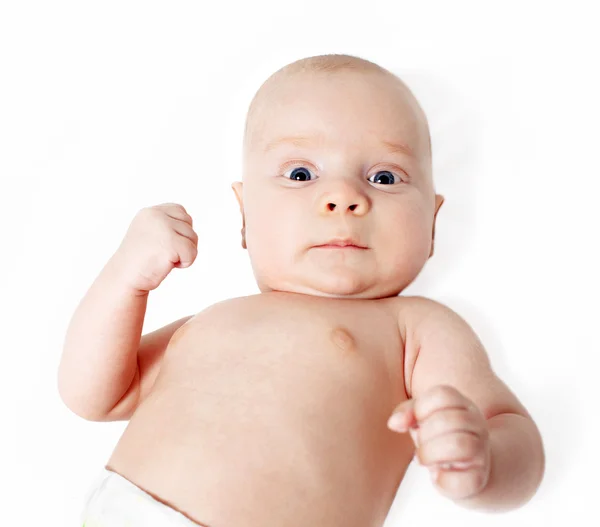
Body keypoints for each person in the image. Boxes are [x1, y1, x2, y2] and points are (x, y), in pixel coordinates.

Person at [59, 54, 545, 527]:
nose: (343, 198)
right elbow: (95, 396)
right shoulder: (212, 321)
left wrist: (483, 456)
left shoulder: (414, 329)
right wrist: (125, 279)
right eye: (300, 174)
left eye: (384, 177)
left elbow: (513, 431)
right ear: (245, 215)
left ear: (432, 224)